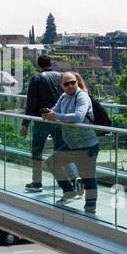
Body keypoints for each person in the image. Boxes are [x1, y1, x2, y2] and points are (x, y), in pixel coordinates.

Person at [42, 72, 100, 213]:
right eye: (66, 84)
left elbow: (78, 117)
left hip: (87, 145)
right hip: (72, 145)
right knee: (52, 162)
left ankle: (90, 209)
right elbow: (55, 111)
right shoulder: (63, 97)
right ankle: (69, 191)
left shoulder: (82, 96)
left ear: (77, 82)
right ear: (62, 86)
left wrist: (56, 116)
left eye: (72, 82)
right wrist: (47, 113)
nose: (70, 86)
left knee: (88, 178)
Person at [23, 56, 64, 191]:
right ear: (50, 64)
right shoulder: (61, 77)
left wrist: (25, 124)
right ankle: (63, 181)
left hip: (43, 120)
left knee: (37, 151)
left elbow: (31, 103)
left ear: (38, 65)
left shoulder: (37, 79)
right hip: (59, 119)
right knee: (59, 151)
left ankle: (37, 182)